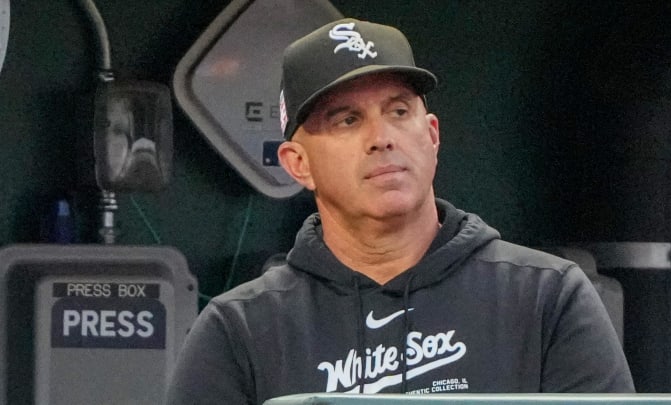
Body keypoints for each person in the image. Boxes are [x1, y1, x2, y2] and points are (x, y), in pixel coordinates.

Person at [166, 18, 635, 404]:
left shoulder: (549, 297)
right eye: (347, 120)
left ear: (431, 135)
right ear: (298, 164)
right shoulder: (239, 330)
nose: (382, 137)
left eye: (398, 111)